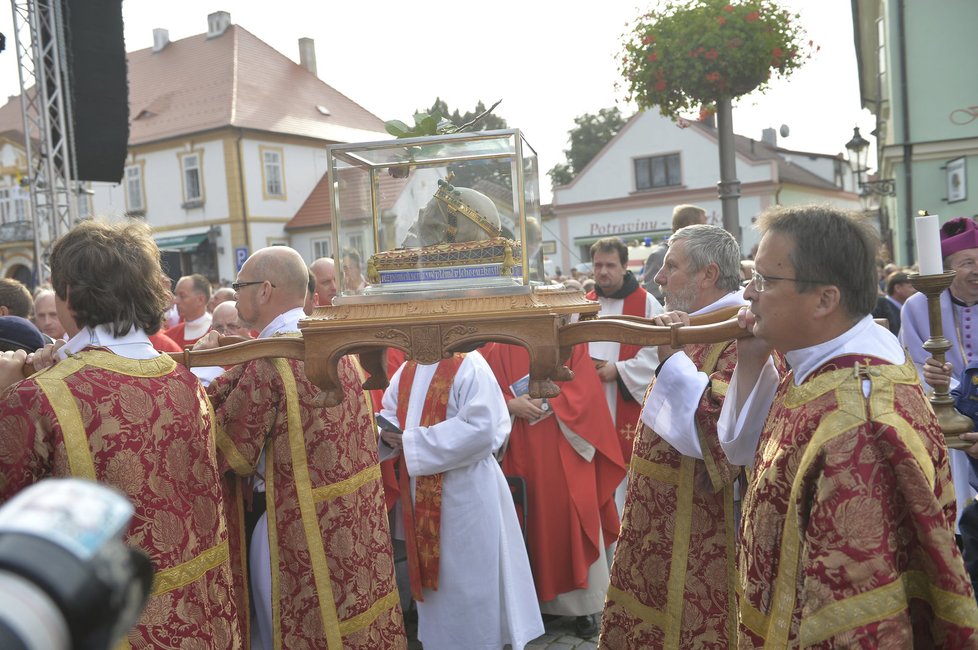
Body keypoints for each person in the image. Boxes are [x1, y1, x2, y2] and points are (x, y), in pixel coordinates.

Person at [717, 205, 978, 646]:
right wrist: (751, 358)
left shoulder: (858, 422)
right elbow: (746, 452)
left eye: (764, 280)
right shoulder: (821, 359)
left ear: (825, 299)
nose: (748, 294)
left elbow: (860, 619)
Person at [0, 219, 242, 648]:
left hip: (114, 626)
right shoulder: (184, 382)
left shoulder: (39, 398)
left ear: (70, 293)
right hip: (204, 618)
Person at [201, 245, 405, 649]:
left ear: (264, 290)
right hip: (350, 526)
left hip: (290, 532)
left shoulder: (271, 360)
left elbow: (230, 451)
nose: (235, 295)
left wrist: (204, 372)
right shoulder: (336, 349)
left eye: (239, 286)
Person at [601, 224, 783, 648]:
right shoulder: (698, 325)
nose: (658, 278)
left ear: (708, 274)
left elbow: (723, 436)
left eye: (671, 267)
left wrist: (672, 359)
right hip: (659, 518)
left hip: (706, 526)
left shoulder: (741, 330)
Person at [378, 347, 544, 650]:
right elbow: (388, 411)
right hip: (421, 493)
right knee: (439, 593)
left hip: (466, 495)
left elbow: (482, 431)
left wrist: (413, 441)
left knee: (470, 584)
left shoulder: (469, 365)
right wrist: (386, 432)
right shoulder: (409, 368)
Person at [484, 340, 625, 639]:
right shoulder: (495, 345)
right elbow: (482, 389)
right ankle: (533, 605)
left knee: (570, 517)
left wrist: (549, 402)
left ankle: (583, 608)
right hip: (518, 444)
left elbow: (584, 389)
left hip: (563, 442)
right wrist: (509, 404)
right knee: (527, 519)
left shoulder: (566, 341)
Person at [900, 216, 978, 537]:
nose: (976, 270)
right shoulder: (918, 306)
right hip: (946, 421)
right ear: (946, 269)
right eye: (967, 263)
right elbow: (910, 365)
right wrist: (939, 382)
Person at [587, 237, 663, 513]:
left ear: (623, 267)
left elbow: (657, 352)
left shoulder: (646, 304)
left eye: (610, 265)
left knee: (626, 490)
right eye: (598, 265)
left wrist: (617, 370)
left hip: (624, 399)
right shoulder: (583, 306)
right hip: (592, 404)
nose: (603, 272)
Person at [641, 204, 708, 299]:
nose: (708, 229)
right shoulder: (659, 255)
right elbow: (655, 297)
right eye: (704, 225)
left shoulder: (701, 254)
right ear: (691, 225)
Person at [164, 273, 213, 348]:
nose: (175, 301)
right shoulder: (169, 335)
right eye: (176, 295)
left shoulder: (216, 333)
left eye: (182, 296)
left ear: (200, 300)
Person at [872, 269, 915, 334]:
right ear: (897, 288)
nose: (915, 290)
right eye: (911, 287)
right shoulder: (880, 306)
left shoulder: (908, 307)